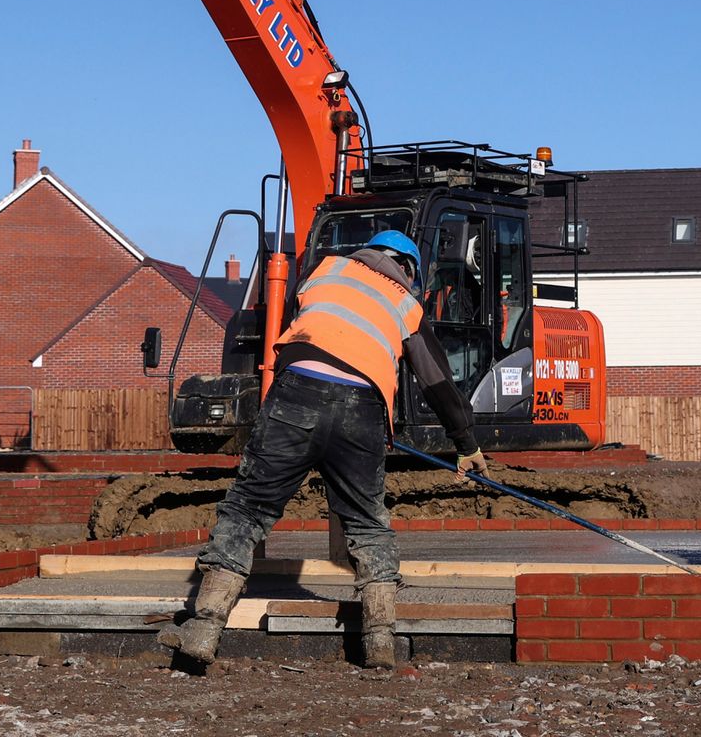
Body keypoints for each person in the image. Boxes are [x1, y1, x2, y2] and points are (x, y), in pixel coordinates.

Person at [160, 230, 489, 669]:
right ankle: (380, 643)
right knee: (368, 524)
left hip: (295, 396)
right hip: (363, 410)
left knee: (248, 510)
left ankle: (203, 628)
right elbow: (437, 382)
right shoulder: (407, 304)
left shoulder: (325, 270)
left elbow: (313, 329)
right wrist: (465, 444)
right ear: (408, 269)